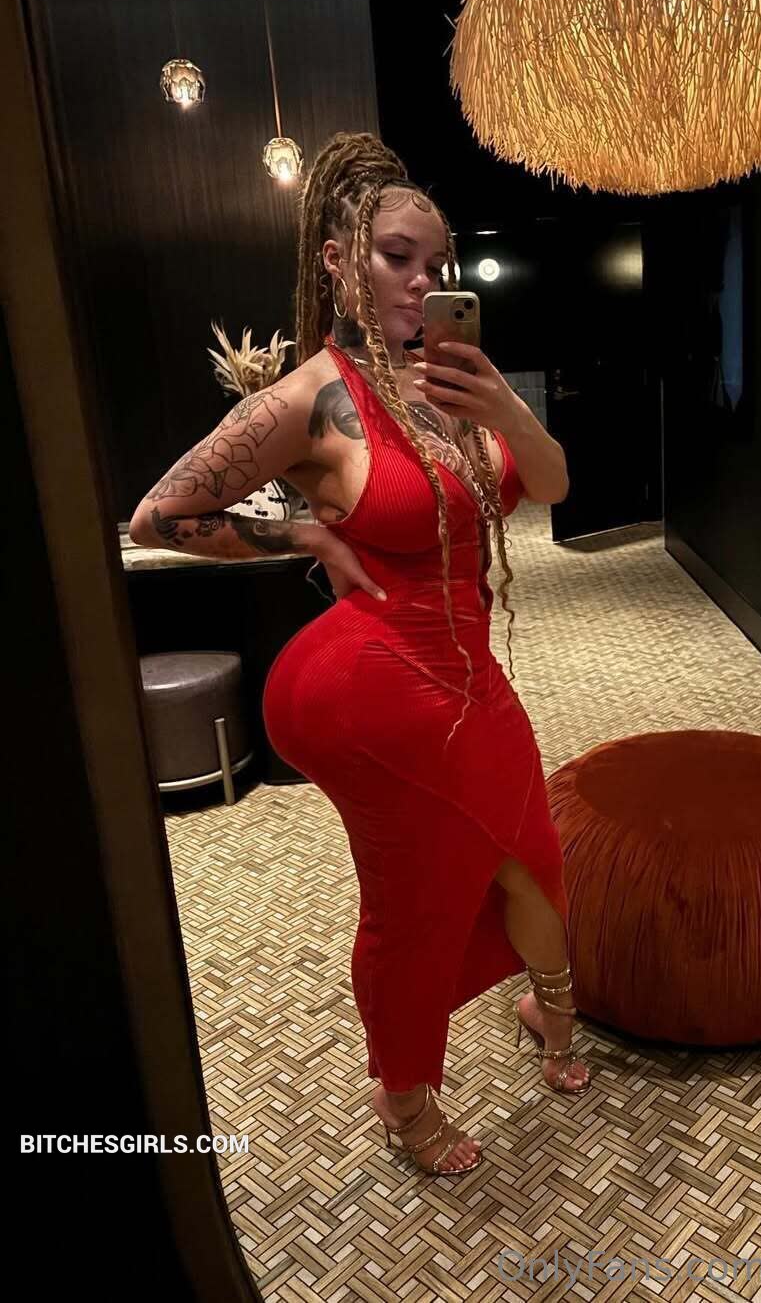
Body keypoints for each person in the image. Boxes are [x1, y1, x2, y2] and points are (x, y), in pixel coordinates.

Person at [129, 132, 591, 1177]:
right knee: (413, 902)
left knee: (534, 855)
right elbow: (159, 514)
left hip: (471, 679)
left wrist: (502, 404)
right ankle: (405, 1098)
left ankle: (550, 1012)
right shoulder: (311, 398)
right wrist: (302, 532)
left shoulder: (452, 383)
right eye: (397, 257)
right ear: (339, 261)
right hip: (379, 688)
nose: (423, 280)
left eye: (436, 262)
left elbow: (554, 484)